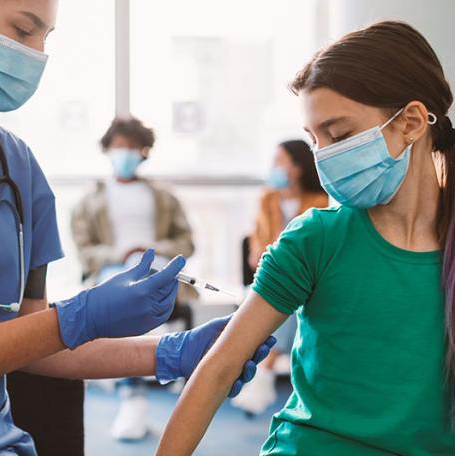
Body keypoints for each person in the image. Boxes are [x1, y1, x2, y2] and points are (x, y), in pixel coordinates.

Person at [0, 1, 276, 454]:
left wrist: (168, 352)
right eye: (22, 29)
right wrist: (79, 317)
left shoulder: (15, 167)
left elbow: (30, 339)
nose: (35, 54)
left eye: (45, 38)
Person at [156, 20, 455, 455]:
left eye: (339, 136)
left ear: (410, 122)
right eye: (315, 141)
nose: (325, 157)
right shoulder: (315, 239)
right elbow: (219, 367)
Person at [71, 116, 197, 441]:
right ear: (108, 149)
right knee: (125, 294)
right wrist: (122, 254)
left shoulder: (163, 197)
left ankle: (141, 388)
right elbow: (86, 252)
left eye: (131, 147)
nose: (124, 153)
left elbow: (186, 242)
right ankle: (133, 395)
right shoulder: (89, 201)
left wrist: (151, 249)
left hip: (160, 266)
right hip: (116, 271)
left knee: (145, 289)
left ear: (144, 152)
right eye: (118, 147)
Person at [234, 140, 328, 415]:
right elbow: (259, 253)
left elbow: (307, 252)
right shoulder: (268, 200)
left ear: (297, 168)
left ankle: (263, 371)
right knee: (286, 298)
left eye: (279, 160)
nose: (273, 167)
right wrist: (275, 210)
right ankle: (265, 371)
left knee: (292, 300)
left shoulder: (319, 202)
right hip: (272, 278)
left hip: (309, 281)